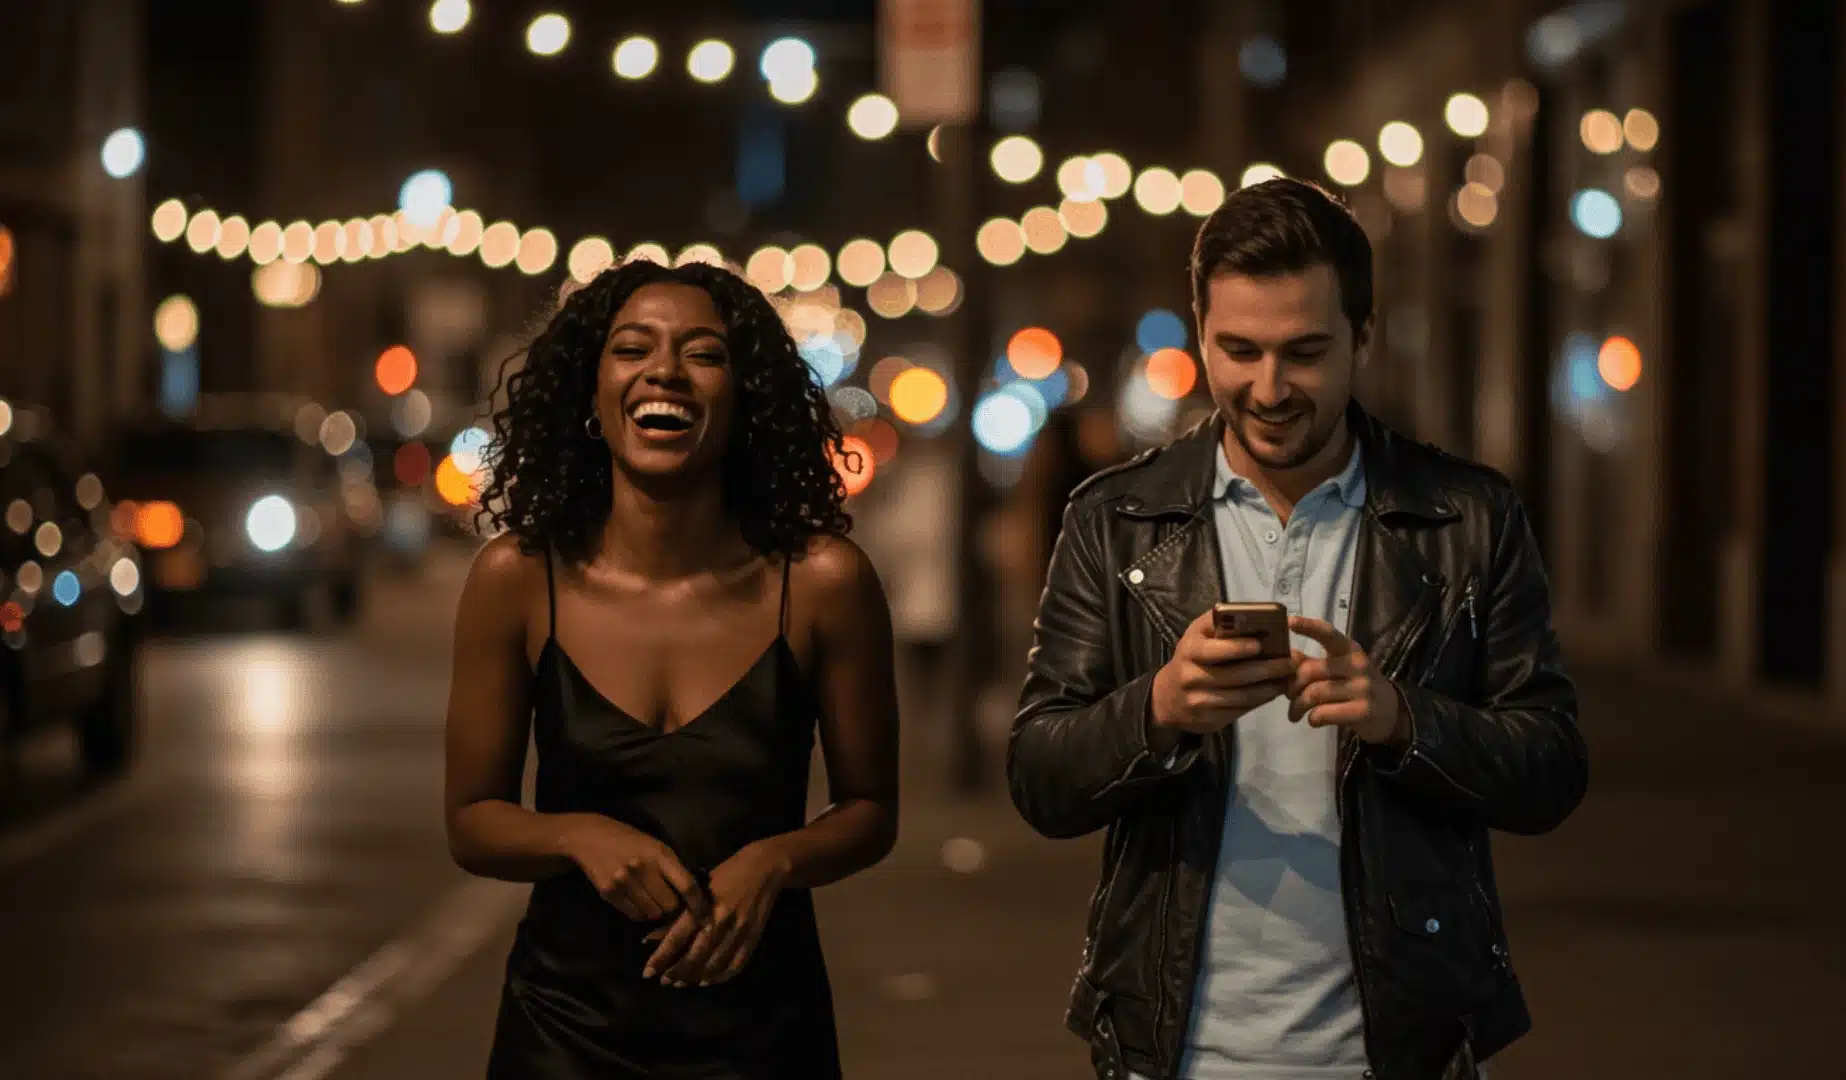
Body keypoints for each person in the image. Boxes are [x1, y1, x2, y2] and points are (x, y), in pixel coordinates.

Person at [1006, 178, 1587, 1080]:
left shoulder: (1468, 516)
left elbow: (1551, 768)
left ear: (1363, 337)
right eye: (1238, 351)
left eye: (1305, 353)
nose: (1269, 388)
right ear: (1200, 334)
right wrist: (1158, 708)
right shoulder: (1115, 517)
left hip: (1399, 1046)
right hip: (1173, 1047)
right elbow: (1040, 777)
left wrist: (1404, 720)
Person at [445, 259, 900, 1080]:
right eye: (632, 350)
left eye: (704, 354)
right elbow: (473, 820)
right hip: (564, 1031)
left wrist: (777, 859)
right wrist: (577, 834)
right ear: (590, 394)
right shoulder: (518, 577)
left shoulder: (825, 582)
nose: (664, 371)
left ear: (746, 398)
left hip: (766, 1031)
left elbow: (870, 809)